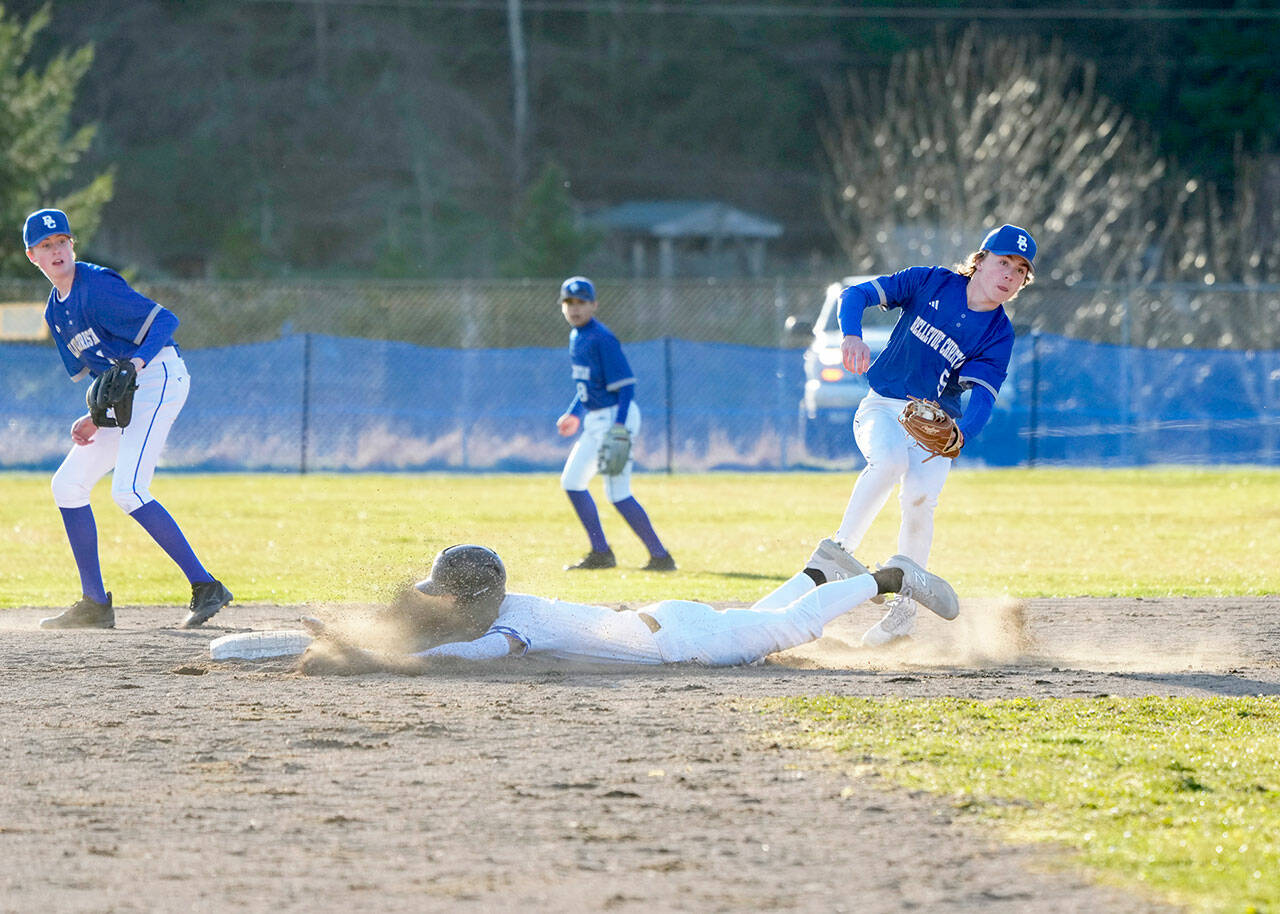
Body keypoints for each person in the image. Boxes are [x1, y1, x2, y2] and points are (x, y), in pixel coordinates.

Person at [814, 224, 1036, 648]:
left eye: (1020, 270)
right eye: (1003, 261)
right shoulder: (931, 281)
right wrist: (851, 336)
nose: (1009, 274)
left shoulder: (998, 334)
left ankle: (902, 618)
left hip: (935, 428)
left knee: (920, 504)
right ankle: (840, 552)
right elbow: (853, 295)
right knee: (890, 461)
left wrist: (960, 437)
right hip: (881, 406)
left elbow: (983, 400)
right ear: (981, 259)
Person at [295, 539, 959, 675]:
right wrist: (361, 635)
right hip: (668, 621)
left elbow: (475, 652)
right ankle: (819, 568)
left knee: (791, 627)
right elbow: (432, 618)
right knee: (755, 622)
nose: (437, 599)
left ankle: (888, 577)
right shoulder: (503, 603)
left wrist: (385, 664)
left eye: (446, 591)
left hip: (678, 642)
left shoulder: (509, 624)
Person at [24, 208, 233, 629]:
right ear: (33, 257)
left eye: (61, 241)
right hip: (131, 391)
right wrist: (94, 418)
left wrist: (136, 362)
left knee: (129, 489)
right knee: (67, 484)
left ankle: (207, 587)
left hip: (159, 377)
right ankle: (95, 604)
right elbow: (106, 376)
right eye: (46, 246)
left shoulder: (96, 284)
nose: (56, 250)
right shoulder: (55, 313)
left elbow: (166, 322)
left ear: (71, 245)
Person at [554, 276, 675, 572]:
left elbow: (626, 387)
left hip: (614, 416)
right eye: (569, 302)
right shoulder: (577, 336)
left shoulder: (601, 337)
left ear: (594, 305)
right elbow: (588, 385)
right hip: (597, 419)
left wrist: (619, 427)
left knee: (617, 493)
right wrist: (574, 413)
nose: (575, 307)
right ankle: (601, 552)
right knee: (572, 482)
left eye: (582, 301)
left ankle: (661, 557)